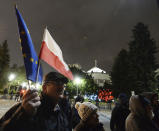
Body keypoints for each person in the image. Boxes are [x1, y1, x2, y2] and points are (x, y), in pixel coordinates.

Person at [0, 72, 71, 131]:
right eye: (57, 83)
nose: (62, 87)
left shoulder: (62, 111)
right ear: (44, 88)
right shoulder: (28, 108)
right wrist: (23, 114)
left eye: (63, 84)